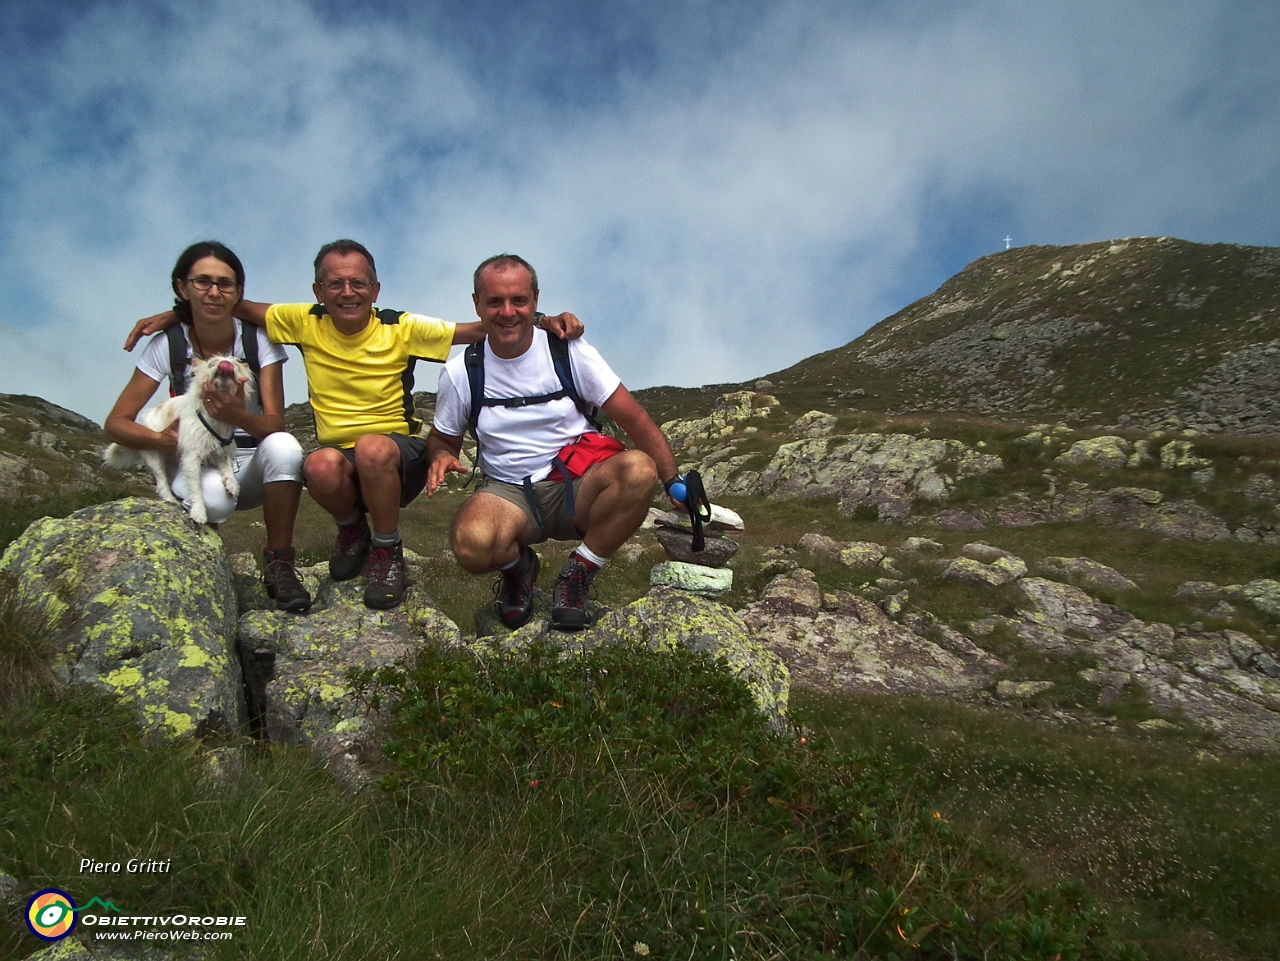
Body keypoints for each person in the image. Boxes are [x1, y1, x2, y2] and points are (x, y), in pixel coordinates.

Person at [125, 240, 582, 610]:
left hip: (397, 453)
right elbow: (234, 307)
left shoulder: (399, 327)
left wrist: (543, 319)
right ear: (317, 290)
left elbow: (476, 329)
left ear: (375, 289)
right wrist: (180, 312)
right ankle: (352, 529)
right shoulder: (301, 321)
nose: (348, 292)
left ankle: (387, 549)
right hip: (339, 457)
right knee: (317, 465)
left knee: (371, 448)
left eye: (358, 283)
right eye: (335, 283)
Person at [426, 254, 679, 631]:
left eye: (519, 301)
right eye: (495, 301)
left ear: (536, 300)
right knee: (470, 546)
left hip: (577, 485)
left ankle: (578, 574)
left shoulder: (568, 350)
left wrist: (673, 481)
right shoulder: (462, 370)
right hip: (507, 494)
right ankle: (520, 569)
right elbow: (442, 438)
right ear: (477, 303)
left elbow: (635, 418)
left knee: (641, 468)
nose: (507, 312)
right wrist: (441, 455)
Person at [106, 241, 311, 613]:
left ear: (238, 293)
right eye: (203, 282)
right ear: (182, 287)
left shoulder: (257, 340)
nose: (214, 291)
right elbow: (115, 424)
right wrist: (163, 441)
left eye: (225, 284)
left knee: (286, 447)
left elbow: (274, 422)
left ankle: (279, 563)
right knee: (212, 504)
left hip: (251, 463)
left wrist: (238, 416)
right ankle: (204, 564)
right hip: (199, 458)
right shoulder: (166, 345)